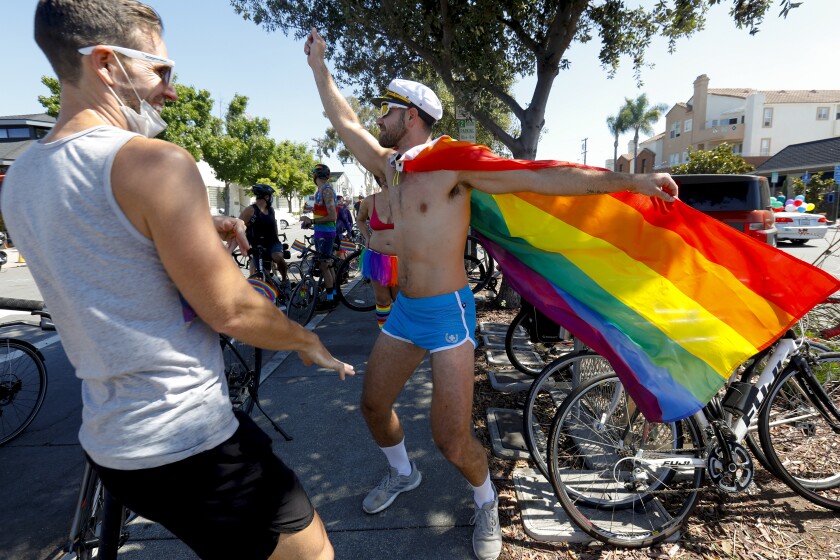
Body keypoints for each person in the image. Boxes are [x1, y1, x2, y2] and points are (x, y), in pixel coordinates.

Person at [305, 27, 677, 560]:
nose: (377, 120)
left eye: (385, 111)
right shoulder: (392, 168)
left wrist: (629, 184)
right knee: (372, 404)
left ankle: (486, 501)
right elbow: (343, 121)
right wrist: (320, 68)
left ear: (409, 115)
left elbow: (540, 177)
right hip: (406, 310)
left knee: (451, 439)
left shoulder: (453, 163)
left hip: (449, 314)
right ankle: (402, 474)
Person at [1, 4, 354, 560]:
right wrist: (306, 340)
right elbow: (233, 310)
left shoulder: (22, 176)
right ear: (107, 63)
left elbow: (96, 232)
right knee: (315, 554)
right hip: (189, 438)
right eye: (161, 71)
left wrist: (197, 224)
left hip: (109, 444)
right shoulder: (154, 164)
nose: (171, 90)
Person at [356, 176, 398, 329]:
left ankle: (401, 336)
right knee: (382, 300)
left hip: (401, 258)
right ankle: (385, 334)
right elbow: (359, 219)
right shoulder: (369, 201)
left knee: (400, 300)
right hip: (377, 258)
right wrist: (366, 236)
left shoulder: (406, 197)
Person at [300, 164, 338, 308]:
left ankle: (330, 300)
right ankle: (333, 295)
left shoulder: (326, 191)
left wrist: (312, 221)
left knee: (324, 265)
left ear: (315, 176)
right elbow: (323, 214)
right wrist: (311, 223)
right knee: (327, 265)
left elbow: (332, 216)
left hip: (325, 234)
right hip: (322, 232)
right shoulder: (321, 191)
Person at [239, 183, 289, 284]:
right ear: (266, 197)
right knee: (263, 276)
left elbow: (274, 225)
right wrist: (243, 245)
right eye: (271, 196)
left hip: (273, 243)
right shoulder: (250, 210)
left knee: (277, 257)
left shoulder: (270, 210)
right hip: (258, 247)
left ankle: (284, 280)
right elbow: (239, 227)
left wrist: (277, 241)